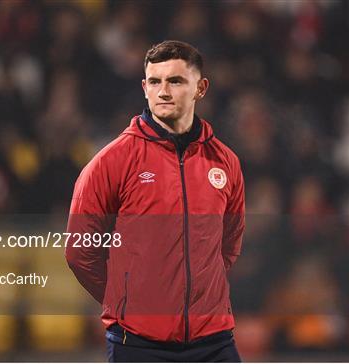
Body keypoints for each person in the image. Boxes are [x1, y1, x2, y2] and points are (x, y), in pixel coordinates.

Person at [65, 40, 245, 362]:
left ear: (200, 88)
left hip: (214, 340)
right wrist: (129, 301)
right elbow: (81, 251)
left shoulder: (225, 162)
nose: (163, 91)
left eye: (175, 81)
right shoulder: (112, 162)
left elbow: (228, 245)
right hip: (139, 343)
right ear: (144, 88)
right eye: (155, 82)